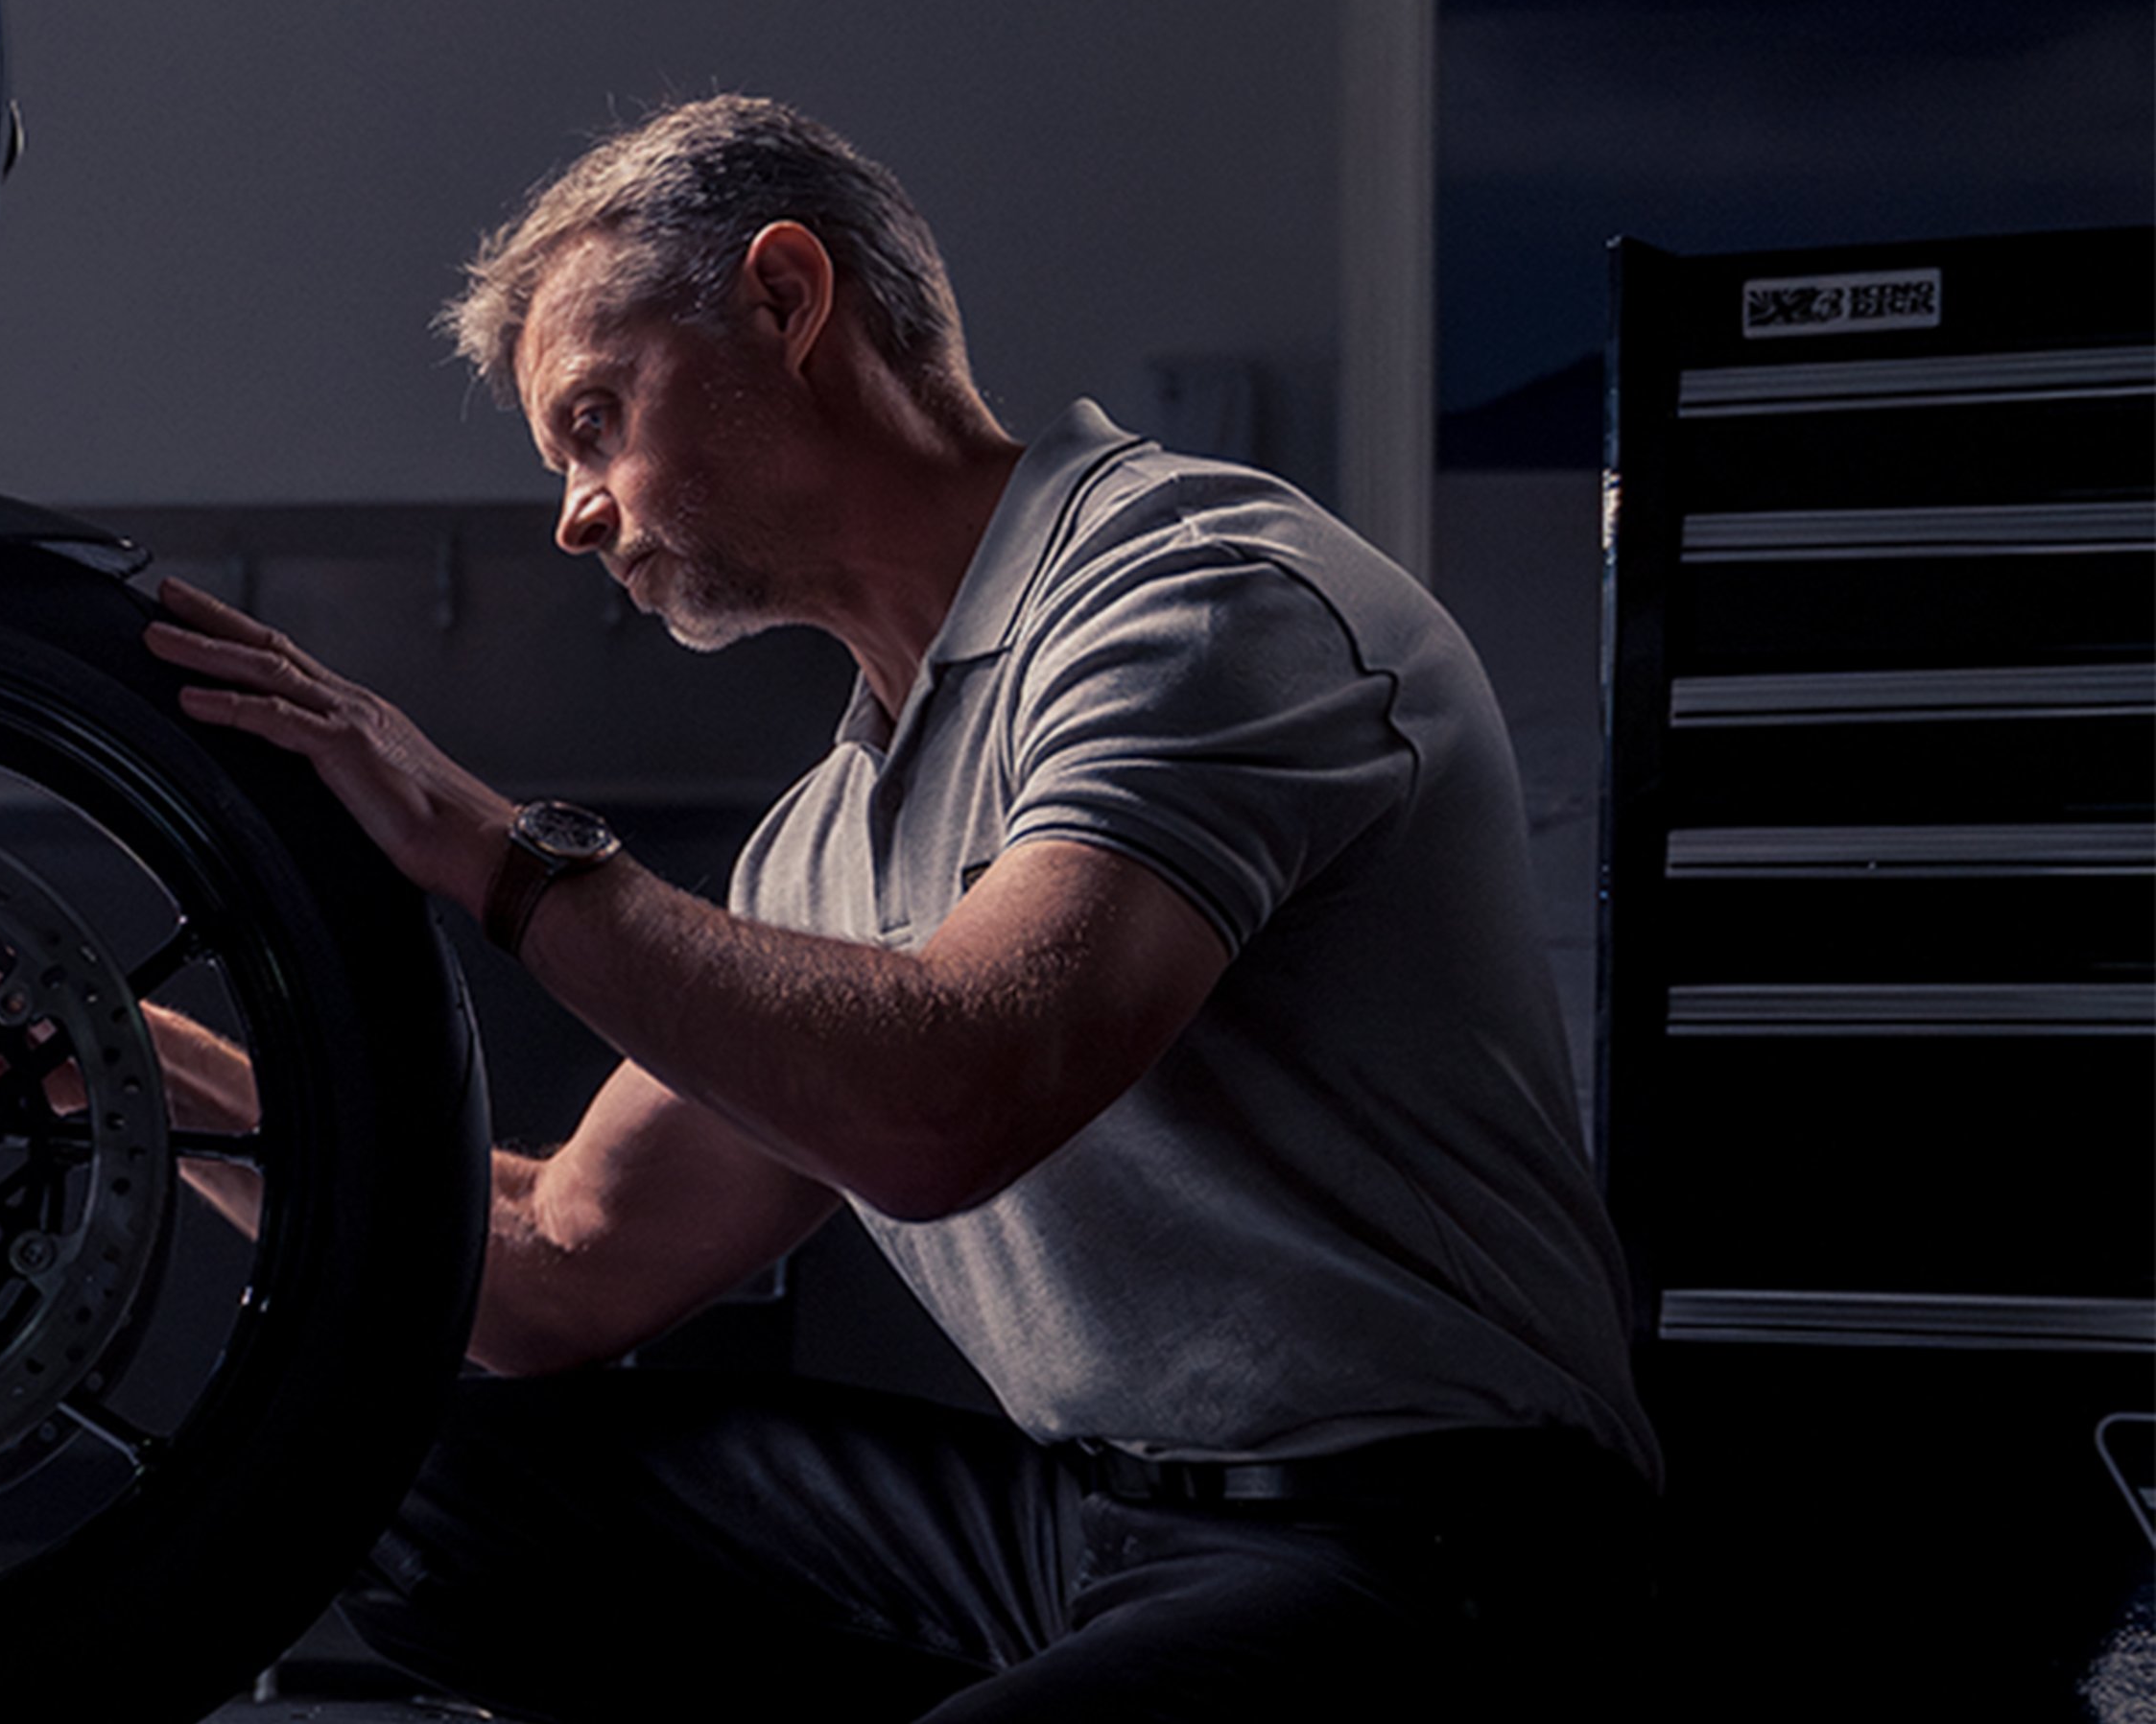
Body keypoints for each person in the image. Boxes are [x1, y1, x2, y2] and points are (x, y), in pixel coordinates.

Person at [144, 95, 1656, 1722]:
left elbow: (952, 1100)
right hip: (1098, 1522)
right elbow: (561, 1265)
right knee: (414, 1496)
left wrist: (490, 848)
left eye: (596, 418)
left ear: (787, 300)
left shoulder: (1199, 597)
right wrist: (116, 1066)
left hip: (1438, 1537)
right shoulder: (832, 835)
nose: (575, 512)